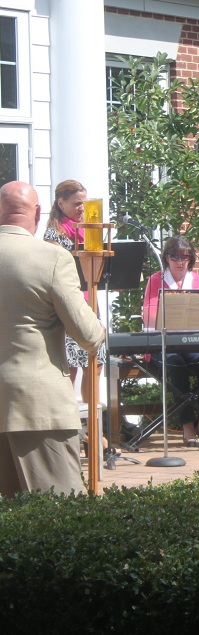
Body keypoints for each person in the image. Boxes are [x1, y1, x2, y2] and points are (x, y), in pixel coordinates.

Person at [0, 181, 105, 496]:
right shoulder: (52, 258)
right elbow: (87, 334)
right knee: (59, 518)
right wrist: (99, 330)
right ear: (37, 212)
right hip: (37, 407)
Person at [142, 235, 199, 447]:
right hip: (164, 343)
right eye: (175, 257)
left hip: (192, 341)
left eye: (185, 257)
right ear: (167, 258)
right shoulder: (156, 279)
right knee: (176, 366)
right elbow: (149, 316)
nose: (180, 261)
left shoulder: (198, 281)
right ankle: (187, 425)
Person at [43, 180, 108, 422]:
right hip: (67, 306)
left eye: (84, 202)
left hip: (90, 305)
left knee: (95, 366)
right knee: (69, 369)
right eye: (76, 203)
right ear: (61, 203)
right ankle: (67, 425)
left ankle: (92, 428)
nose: (82, 208)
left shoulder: (88, 230)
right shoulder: (53, 236)